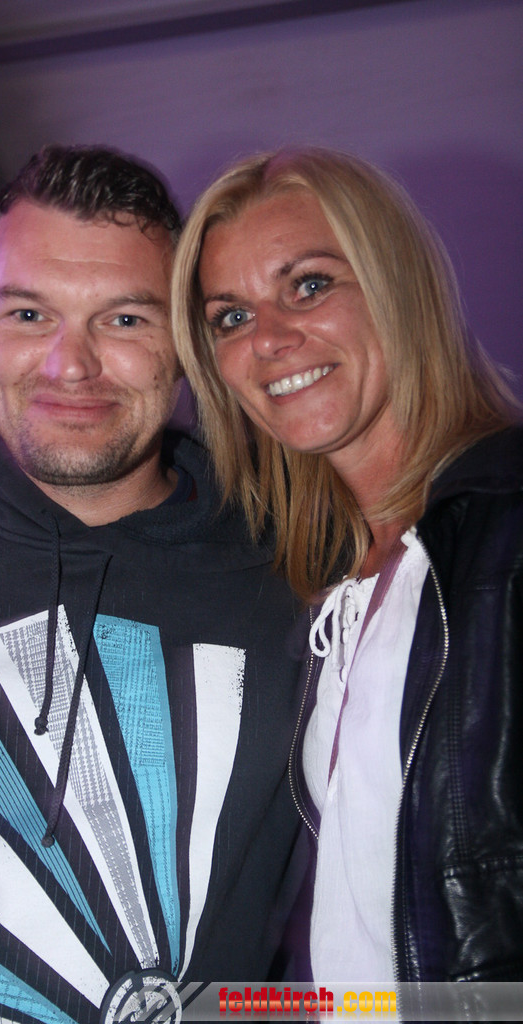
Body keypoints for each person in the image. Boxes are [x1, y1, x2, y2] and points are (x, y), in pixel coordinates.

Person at [0, 145, 305, 1023]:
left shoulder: (303, 579)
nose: (71, 366)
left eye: (124, 319)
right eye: (30, 313)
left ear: (186, 342)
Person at [171, 147, 523, 985]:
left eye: (308, 285)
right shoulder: (326, 591)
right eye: (230, 317)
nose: (269, 339)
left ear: (396, 287)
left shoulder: (507, 526)